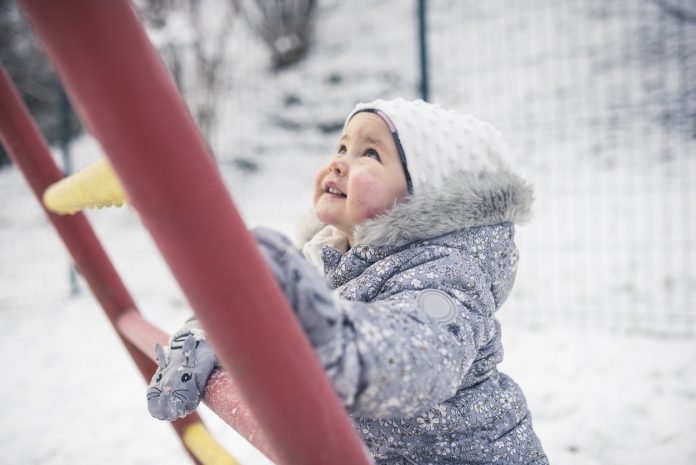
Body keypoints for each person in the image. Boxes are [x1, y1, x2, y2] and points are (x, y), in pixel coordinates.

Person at [147, 98, 548, 464]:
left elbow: (423, 353)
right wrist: (209, 336)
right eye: (341, 148)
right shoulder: (325, 255)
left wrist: (332, 337)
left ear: (424, 194)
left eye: (369, 153)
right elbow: (264, 308)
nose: (339, 163)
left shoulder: (446, 271)